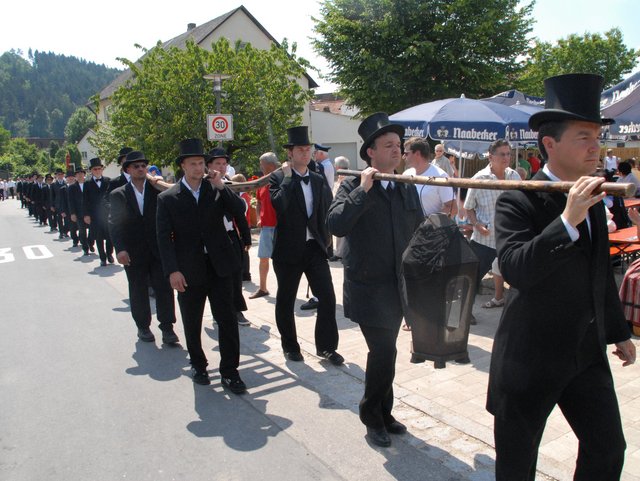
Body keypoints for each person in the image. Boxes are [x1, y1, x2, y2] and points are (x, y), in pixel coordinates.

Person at [489, 73, 636, 480]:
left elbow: (598, 271)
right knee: (517, 465)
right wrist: (567, 218)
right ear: (549, 144)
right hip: (530, 356)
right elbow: (517, 269)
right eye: (584, 137)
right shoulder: (518, 199)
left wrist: (618, 330)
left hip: (584, 351)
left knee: (608, 450)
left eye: (597, 136)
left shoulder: (594, 193)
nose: (596, 147)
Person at [328, 112, 423, 448]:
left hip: (397, 287)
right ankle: (373, 417)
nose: (397, 150)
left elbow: (419, 233)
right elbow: (336, 225)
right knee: (383, 351)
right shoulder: (354, 185)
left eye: (399, 145)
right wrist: (363, 192)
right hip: (368, 287)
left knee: (386, 352)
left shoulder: (404, 187)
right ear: (370, 152)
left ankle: (385, 411)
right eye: (388, 145)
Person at [156, 138, 247, 393]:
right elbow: (163, 238)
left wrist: (222, 185)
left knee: (227, 320)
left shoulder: (216, 189)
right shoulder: (168, 198)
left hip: (220, 266)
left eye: (201, 163)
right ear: (183, 166)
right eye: (193, 163)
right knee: (192, 320)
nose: (198, 168)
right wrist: (172, 270)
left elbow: (239, 212)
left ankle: (230, 371)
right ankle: (198, 364)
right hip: (188, 269)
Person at [269, 126, 342, 365]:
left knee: (328, 299)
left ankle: (327, 347)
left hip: (314, 249)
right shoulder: (278, 178)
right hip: (288, 251)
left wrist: (327, 240)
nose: (306, 153)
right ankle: (290, 346)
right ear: (290, 152)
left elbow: (327, 211)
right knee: (286, 299)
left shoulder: (319, 179)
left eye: (308, 149)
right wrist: (289, 178)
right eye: (300, 149)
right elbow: (279, 205)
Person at [109, 150, 179, 344]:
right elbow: (115, 224)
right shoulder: (118, 194)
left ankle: (167, 328)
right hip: (133, 251)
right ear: (128, 170)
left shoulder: (158, 190)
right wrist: (120, 248)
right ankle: (143, 326)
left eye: (143, 166)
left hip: (158, 249)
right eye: (136, 166)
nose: (140, 169)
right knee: (138, 289)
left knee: (164, 288)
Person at [464, 140, 521, 311]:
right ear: (491, 156)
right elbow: (468, 208)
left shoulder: (514, 177)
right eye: (502, 154)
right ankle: (465, 314)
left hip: (509, 238)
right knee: (471, 278)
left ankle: (516, 312)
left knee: (519, 276)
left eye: (508, 153)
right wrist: (476, 224)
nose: (506, 157)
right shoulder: (479, 179)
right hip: (485, 239)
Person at [206, 148, 252, 327]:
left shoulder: (231, 184)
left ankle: (237, 310)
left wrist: (246, 237)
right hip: (212, 238)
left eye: (224, 163)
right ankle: (219, 312)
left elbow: (239, 212)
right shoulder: (201, 185)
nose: (222, 167)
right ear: (208, 166)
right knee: (217, 277)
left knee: (235, 275)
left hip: (231, 235)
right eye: (217, 163)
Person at [250, 151, 280, 299]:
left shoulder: (281, 178)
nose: (260, 167)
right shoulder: (261, 182)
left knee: (281, 260)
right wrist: (258, 217)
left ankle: (285, 288)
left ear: (270, 165)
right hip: (267, 226)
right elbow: (259, 203)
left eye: (262, 164)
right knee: (263, 258)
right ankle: (263, 288)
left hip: (280, 227)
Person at [83, 158, 113, 266]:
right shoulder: (87, 184)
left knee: (110, 237)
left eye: (99, 169)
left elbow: (112, 197)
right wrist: (86, 215)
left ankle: (109, 253)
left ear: (102, 169)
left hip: (107, 213)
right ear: (91, 170)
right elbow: (85, 200)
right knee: (99, 238)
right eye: (95, 169)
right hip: (95, 215)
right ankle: (102, 258)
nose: (97, 171)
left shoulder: (108, 181)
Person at [68, 166, 93, 255]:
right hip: (78, 212)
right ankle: (85, 247)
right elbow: (70, 201)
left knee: (92, 230)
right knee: (82, 231)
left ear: (84, 174)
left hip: (89, 212)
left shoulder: (89, 184)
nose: (80, 175)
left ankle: (90, 243)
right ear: (75, 176)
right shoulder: (72, 187)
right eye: (78, 174)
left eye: (81, 173)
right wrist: (72, 213)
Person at [331, 155, 350, 261]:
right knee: (339, 234)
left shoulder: (347, 177)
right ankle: (339, 253)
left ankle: (343, 254)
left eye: (335, 164)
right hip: (339, 208)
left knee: (345, 234)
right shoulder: (341, 176)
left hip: (345, 208)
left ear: (338, 166)